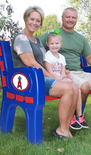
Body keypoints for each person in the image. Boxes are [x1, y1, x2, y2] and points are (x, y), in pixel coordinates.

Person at [11, 6, 80, 139]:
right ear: (26, 19)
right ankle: (63, 130)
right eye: (32, 19)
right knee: (68, 89)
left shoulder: (36, 41)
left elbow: (46, 61)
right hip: (29, 80)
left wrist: (62, 72)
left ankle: (63, 128)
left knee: (75, 89)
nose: (34, 23)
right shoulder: (21, 38)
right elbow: (30, 63)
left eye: (38, 21)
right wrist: (56, 78)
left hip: (40, 77)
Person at [39, 7, 91, 129]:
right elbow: (36, 45)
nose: (70, 19)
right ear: (62, 18)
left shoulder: (80, 38)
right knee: (84, 86)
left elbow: (89, 56)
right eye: (67, 17)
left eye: (73, 17)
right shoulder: (53, 34)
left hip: (80, 72)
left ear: (76, 20)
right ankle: (73, 117)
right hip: (64, 73)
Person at [44, 30, 88, 129]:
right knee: (71, 89)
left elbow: (63, 71)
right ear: (47, 44)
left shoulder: (62, 57)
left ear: (61, 44)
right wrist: (62, 80)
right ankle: (71, 118)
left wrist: (65, 78)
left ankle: (78, 116)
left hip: (61, 79)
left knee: (77, 89)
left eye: (57, 43)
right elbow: (49, 72)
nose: (54, 46)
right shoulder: (47, 55)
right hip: (52, 80)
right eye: (51, 43)